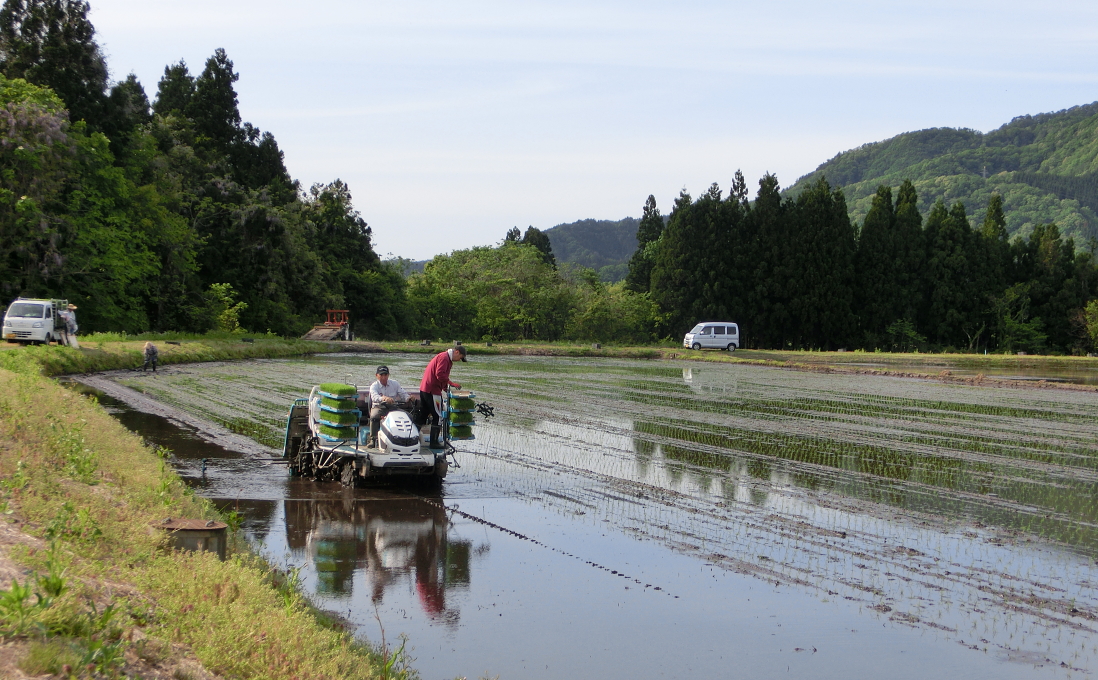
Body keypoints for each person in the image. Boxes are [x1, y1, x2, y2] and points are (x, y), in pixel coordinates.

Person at [418, 345, 467, 448]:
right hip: (432, 390)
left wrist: (446, 388)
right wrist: (451, 383)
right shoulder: (444, 358)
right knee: (439, 416)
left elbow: (442, 377)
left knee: (422, 415)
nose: (459, 360)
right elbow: (439, 374)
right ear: (457, 352)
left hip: (425, 388)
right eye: (460, 357)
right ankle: (434, 443)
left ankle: (411, 439)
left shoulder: (445, 358)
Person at [366, 365, 412, 447]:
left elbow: (403, 394)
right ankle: (373, 439)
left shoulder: (395, 384)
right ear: (376, 375)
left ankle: (406, 439)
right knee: (374, 416)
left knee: (409, 416)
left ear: (388, 375)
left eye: (385, 375)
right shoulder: (374, 386)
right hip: (379, 407)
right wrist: (383, 398)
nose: (383, 377)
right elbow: (374, 397)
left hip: (392, 407)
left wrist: (409, 398)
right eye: (381, 375)